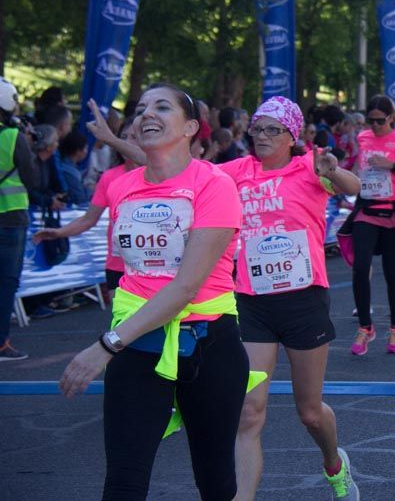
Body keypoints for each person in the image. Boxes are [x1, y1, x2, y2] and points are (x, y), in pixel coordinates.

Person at [57, 83, 250, 499]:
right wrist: (119, 341)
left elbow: (185, 286)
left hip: (208, 343)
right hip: (138, 341)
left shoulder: (214, 185)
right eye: (141, 108)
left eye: (162, 107)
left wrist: (105, 346)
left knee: (215, 480)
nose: (146, 114)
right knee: (123, 482)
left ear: (191, 128)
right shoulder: (121, 187)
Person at [217, 96, 361, 500]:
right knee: (248, 412)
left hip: (303, 299)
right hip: (251, 300)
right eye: (257, 128)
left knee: (310, 413)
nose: (261, 136)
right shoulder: (237, 171)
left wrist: (334, 170)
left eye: (272, 130)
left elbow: (353, 187)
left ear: (291, 136)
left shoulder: (309, 166)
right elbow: (185, 173)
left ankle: (334, 464)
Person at [341, 95, 395, 356]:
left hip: (393, 213)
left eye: (380, 120)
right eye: (371, 120)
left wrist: (392, 166)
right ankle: (365, 327)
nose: (375, 125)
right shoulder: (363, 138)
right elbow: (355, 169)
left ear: (391, 118)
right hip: (366, 209)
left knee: (392, 273)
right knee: (360, 267)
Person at [34, 113, 140, 302]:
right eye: (123, 137)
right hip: (118, 267)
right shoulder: (109, 177)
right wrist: (59, 233)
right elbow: (88, 219)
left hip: (154, 266)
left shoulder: (161, 175)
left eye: (134, 137)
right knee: (122, 319)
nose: (127, 142)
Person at [0, 78, 41, 361]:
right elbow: (32, 179)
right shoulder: (12, 137)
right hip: (10, 221)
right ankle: (1, 343)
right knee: (6, 282)